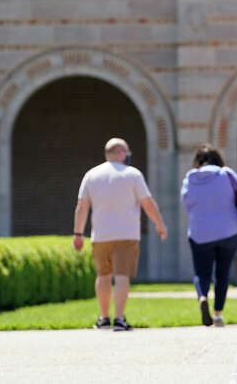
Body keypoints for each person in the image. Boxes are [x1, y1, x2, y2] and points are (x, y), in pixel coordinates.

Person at [73, 137, 168, 331]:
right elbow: (147, 203)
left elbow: (82, 206)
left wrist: (78, 233)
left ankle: (104, 318)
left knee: (103, 275)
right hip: (127, 235)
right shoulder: (133, 174)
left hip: (100, 235)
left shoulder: (91, 175)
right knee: (122, 276)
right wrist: (159, 224)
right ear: (120, 153)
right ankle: (119, 319)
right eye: (126, 153)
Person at [181, 143, 237, 327]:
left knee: (202, 273)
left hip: (199, 232)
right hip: (229, 230)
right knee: (223, 273)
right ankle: (217, 314)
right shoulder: (226, 173)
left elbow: (186, 204)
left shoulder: (189, 178)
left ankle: (202, 297)